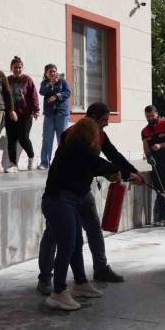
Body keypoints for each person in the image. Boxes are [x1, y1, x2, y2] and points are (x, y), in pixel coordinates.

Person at [37, 102, 145, 295]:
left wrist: (132, 171)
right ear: (93, 118)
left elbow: (113, 155)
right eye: (104, 120)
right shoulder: (73, 134)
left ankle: (99, 269)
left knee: (92, 229)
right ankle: (45, 279)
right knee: (55, 235)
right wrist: (116, 173)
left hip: (82, 191)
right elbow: (86, 161)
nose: (107, 124)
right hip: (62, 194)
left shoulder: (100, 135)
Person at [41, 117, 120, 311]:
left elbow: (93, 167)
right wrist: (118, 172)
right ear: (90, 134)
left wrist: (118, 173)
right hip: (59, 201)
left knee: (76, 243)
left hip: (66, 200)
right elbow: (100, 163)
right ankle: (58, 293)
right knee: (67, 246)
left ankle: (80, 283)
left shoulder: (73, 148)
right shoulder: (78, 148)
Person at [141, 105, 165, 226]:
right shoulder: (145, 131)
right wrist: (149, 156)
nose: (150, 118)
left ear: (157, 114)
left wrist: (160, 145)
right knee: (159, 190)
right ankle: (162, 216)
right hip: (156, 164)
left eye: (152, 116)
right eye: (148, 116)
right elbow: (146, 145)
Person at [5, 56, 39, 173]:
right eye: (15, 68)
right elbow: (3, 96)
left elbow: (33, 95)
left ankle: (32, 156)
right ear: (11, 68)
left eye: (20, 68)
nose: (18, 70)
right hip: (10, 114)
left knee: (23, 138)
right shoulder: (7, 80)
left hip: (25, 114)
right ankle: (13, 164)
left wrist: (36, 109)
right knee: (11, 139)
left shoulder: (27, 79)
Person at [39, 64, 71, 169]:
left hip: (62, 114)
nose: (52, 73)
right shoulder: (45, 83)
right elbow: (42, 92)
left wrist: (57, 96)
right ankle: (45, 162)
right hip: (49, 114)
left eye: (54, 71)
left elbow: (68, 92)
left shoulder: (63, 82)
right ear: (46, 74)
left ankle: (63, 162)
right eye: (50, 72)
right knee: (47, 139)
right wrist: (51, 84)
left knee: (62, 139)